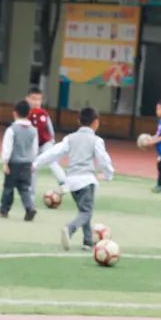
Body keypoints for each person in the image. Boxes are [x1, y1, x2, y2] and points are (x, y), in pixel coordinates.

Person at [34, 106, 114, 250]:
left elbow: (54, 152)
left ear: (79, 121)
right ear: (96, 122)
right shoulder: (96, 140)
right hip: (87, 181)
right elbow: (103, 159)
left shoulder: (69, 138)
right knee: (86, 212)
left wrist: (37, 163)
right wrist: (108, 174)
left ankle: (88, 241)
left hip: (71, 182)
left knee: (84, 211)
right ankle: (70, 229)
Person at [0, 99, 39, 221]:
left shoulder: (12, 129)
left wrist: (5, 162)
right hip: (27, 164)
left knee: (8, 188)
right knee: (25, 189)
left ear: (15, 113)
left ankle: (4, 211)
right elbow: (34, 148)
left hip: (14, 163)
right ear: (29, 113)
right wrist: (33, 162)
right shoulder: (33, 130)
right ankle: (29, 207)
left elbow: (7, 147)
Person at [26, 86, 60, 196]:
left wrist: (52, 140)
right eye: (33, 99)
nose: (36, 102)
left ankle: (63, 181)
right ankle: (31, 194)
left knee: (52, 160)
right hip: (32, 147)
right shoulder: (25, 113)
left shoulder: (44, 114)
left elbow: (50, 128)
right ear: (27, 99)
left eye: (38, 99)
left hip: (46, 143)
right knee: (33, 168)